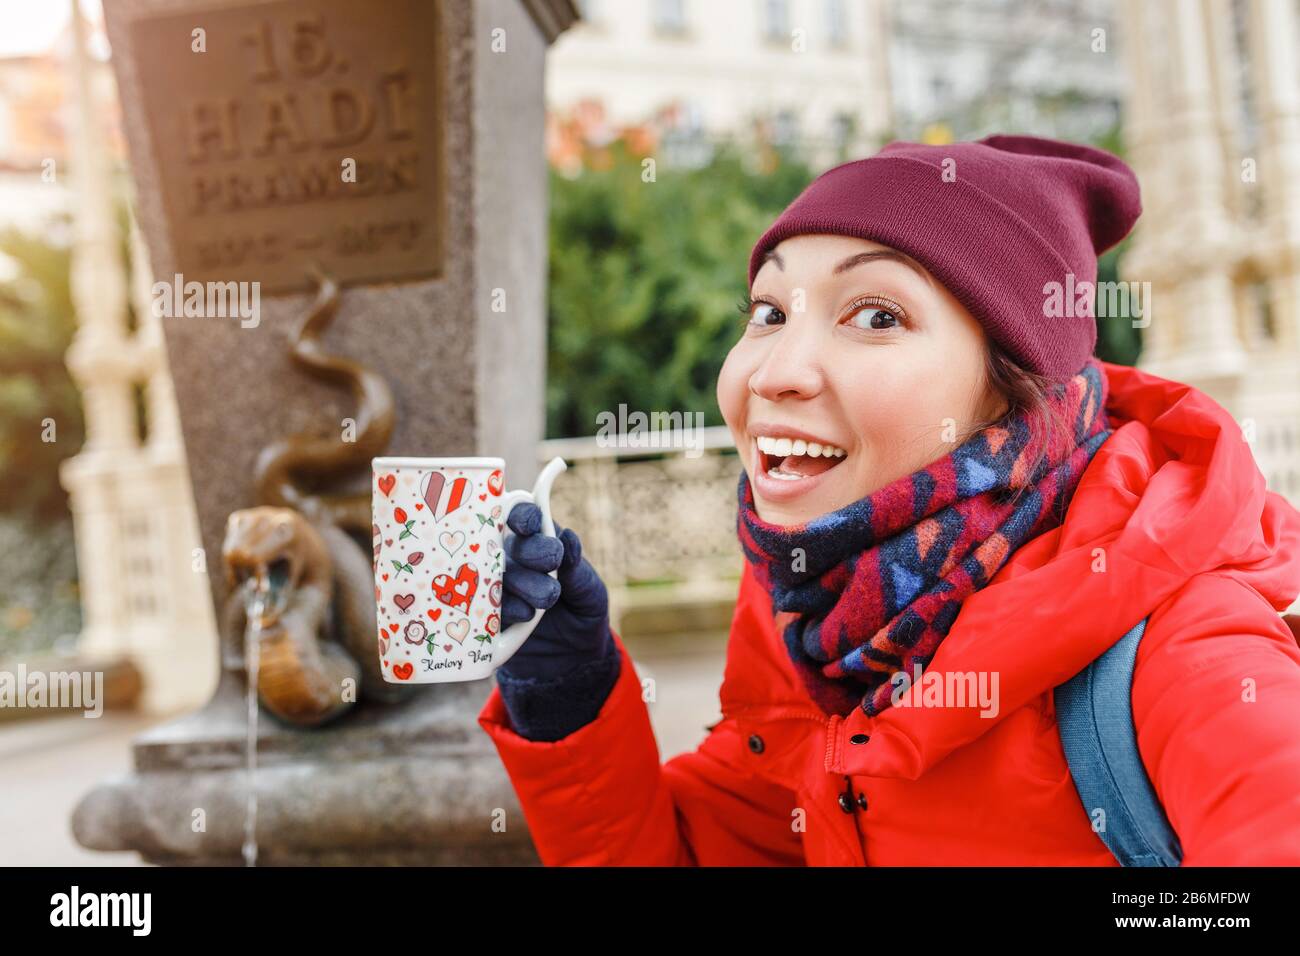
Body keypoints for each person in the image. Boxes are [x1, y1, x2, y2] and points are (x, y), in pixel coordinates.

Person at [477, 135, 1300, 865]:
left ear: (1015, 393)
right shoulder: (815, 616)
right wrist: (567, 693)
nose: (774, 372)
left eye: (874, 315)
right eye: (768, 311)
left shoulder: (1186, 653)